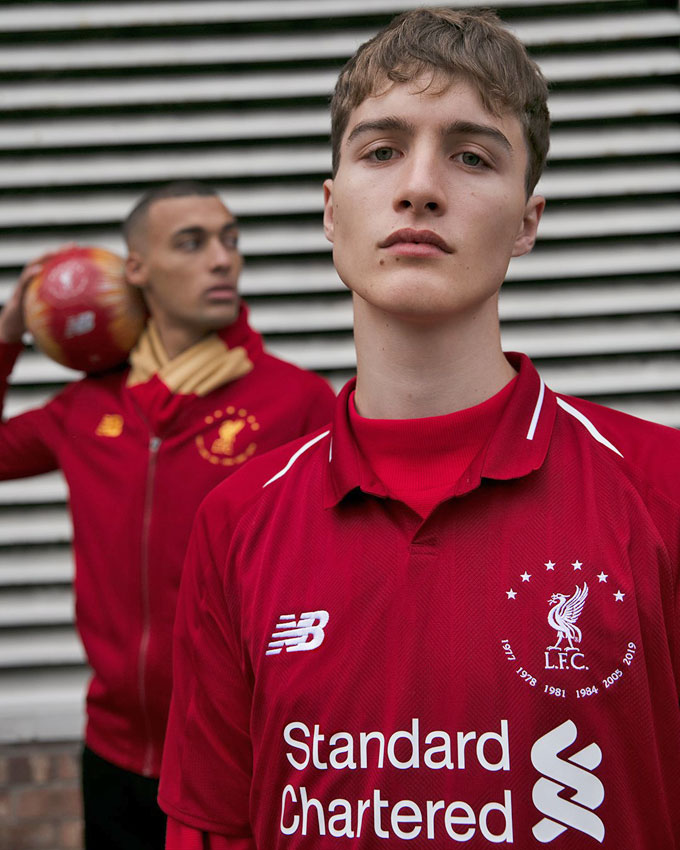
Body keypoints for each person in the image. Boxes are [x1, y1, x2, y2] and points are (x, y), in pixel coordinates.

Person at [158, 10, 680, 849]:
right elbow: (212, 828)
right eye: (381, 150)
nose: (421, 187)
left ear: (527, 222)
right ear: (332, 211)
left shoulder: (664, 488)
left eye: (472, 156)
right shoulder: (237, 519)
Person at [0, 180, 335, 850]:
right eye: (192, 243)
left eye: (230, 240)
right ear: (136, 269)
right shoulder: (85, 409)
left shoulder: (296, 403)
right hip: (113, 752)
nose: (223, 259)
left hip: (237, 756)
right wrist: (9, 334)